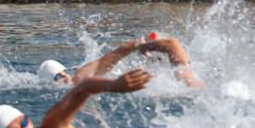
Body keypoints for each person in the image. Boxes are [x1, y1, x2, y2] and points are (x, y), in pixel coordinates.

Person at [0, 69, 152, 128]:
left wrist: (114, 84)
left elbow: (82, 88)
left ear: (27, 118)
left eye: (23, 124)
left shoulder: (51, 125)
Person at [36, 34, 201, 89]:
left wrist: (138, 45)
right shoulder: (79, 83)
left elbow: (115, 55)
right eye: (58, 78)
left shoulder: (80, 78)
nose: (63, 79)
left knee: (189, 81)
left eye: (60, 75)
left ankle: (156, 49)